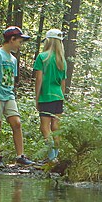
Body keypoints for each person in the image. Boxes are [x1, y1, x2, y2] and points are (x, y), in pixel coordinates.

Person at [0, 26, 35, 168]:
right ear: (12, 39)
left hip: (9, 95)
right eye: (19, 41)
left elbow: (11, 79)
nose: (20, 45)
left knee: (17, 123)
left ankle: (20, 156)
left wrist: (11, 93)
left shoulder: (13, 60)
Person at [33, 29, 67, 162]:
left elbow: (39, 79)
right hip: (58, 96)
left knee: (44, 127)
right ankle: (56, 155)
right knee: (56, 127)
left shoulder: (42, 57)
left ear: (48, 41)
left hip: (46, 95)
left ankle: (52, 157)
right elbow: (63, 83)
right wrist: (62, 97)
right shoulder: (62, 61)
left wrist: (37, 97)